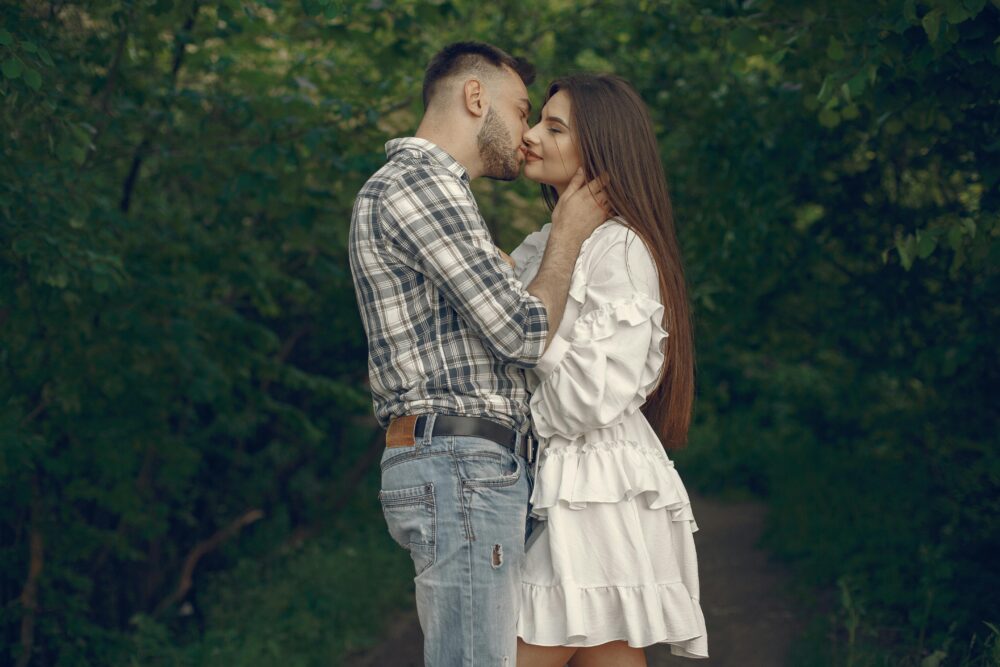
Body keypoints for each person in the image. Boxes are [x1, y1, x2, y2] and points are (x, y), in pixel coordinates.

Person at [348, 43, 610, 666]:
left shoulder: (437, 193)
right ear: (475, 98)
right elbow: (521, 333)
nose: (525, 135)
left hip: (466, 464)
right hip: (459, 463)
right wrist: (569, 235)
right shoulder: (421, 184)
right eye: (522, 111)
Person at [510, 74, 709, 665]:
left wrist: (526, 353)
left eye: (554, 127)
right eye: (535, 120)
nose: (528, 136)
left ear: (600, 148)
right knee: (611, 654)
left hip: (595, 492)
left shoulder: (620, 249)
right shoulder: (553, 241)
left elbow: (587, 399)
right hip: (573, 485)